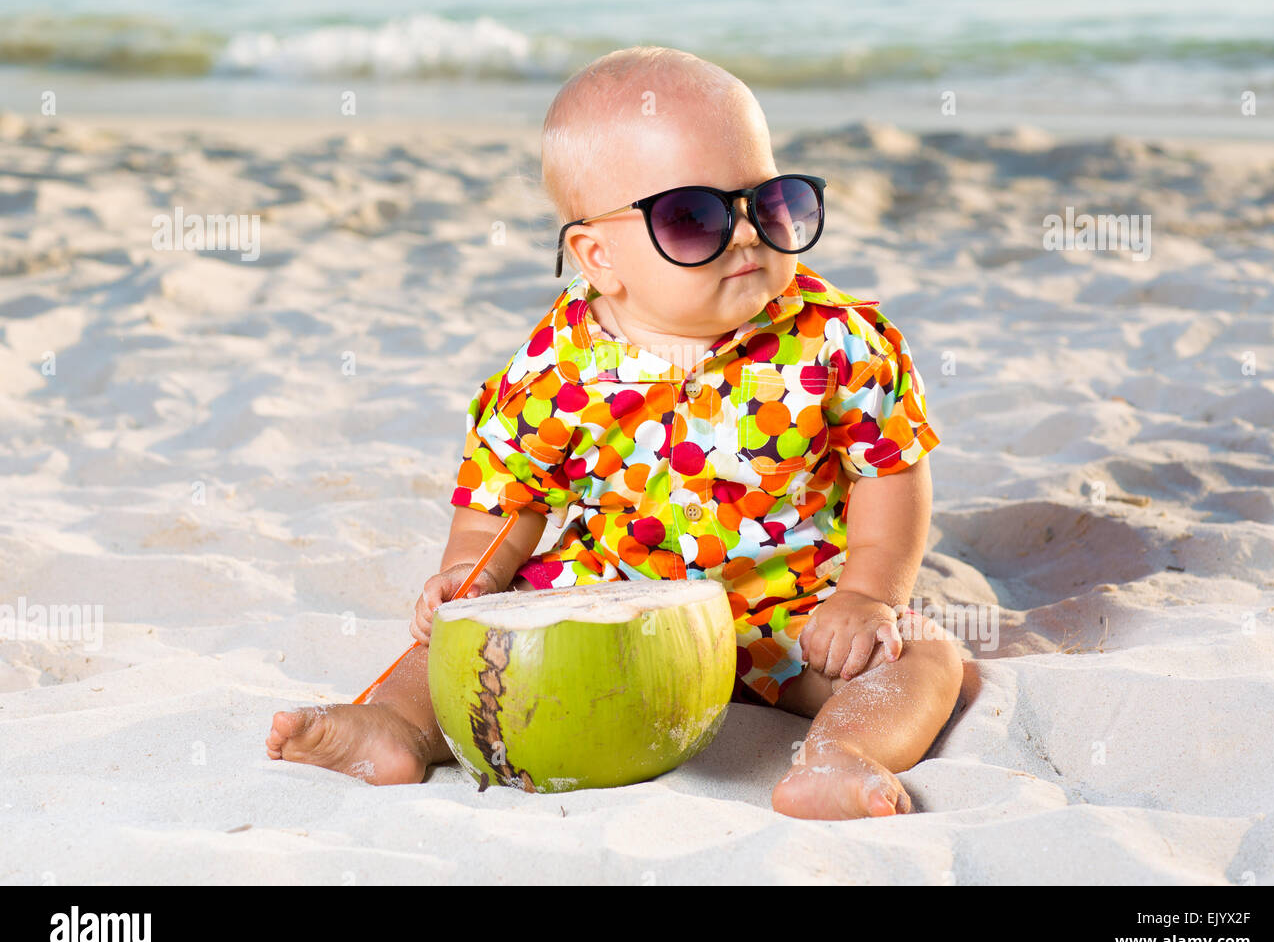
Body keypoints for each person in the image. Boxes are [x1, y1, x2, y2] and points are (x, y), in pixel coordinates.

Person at [268, 45, 963, 820]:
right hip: (612, 602)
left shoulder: (835, 339)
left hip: (789, 605)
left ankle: (842, 752)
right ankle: (396, 728)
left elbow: (889, 467)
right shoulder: (557, 365)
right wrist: (473, 573)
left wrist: (868, 594)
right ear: (598, 257)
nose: (744, 236)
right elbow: (509, 492)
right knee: (469, 643)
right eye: (693, 217)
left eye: (769, 201)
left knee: (924, 656)